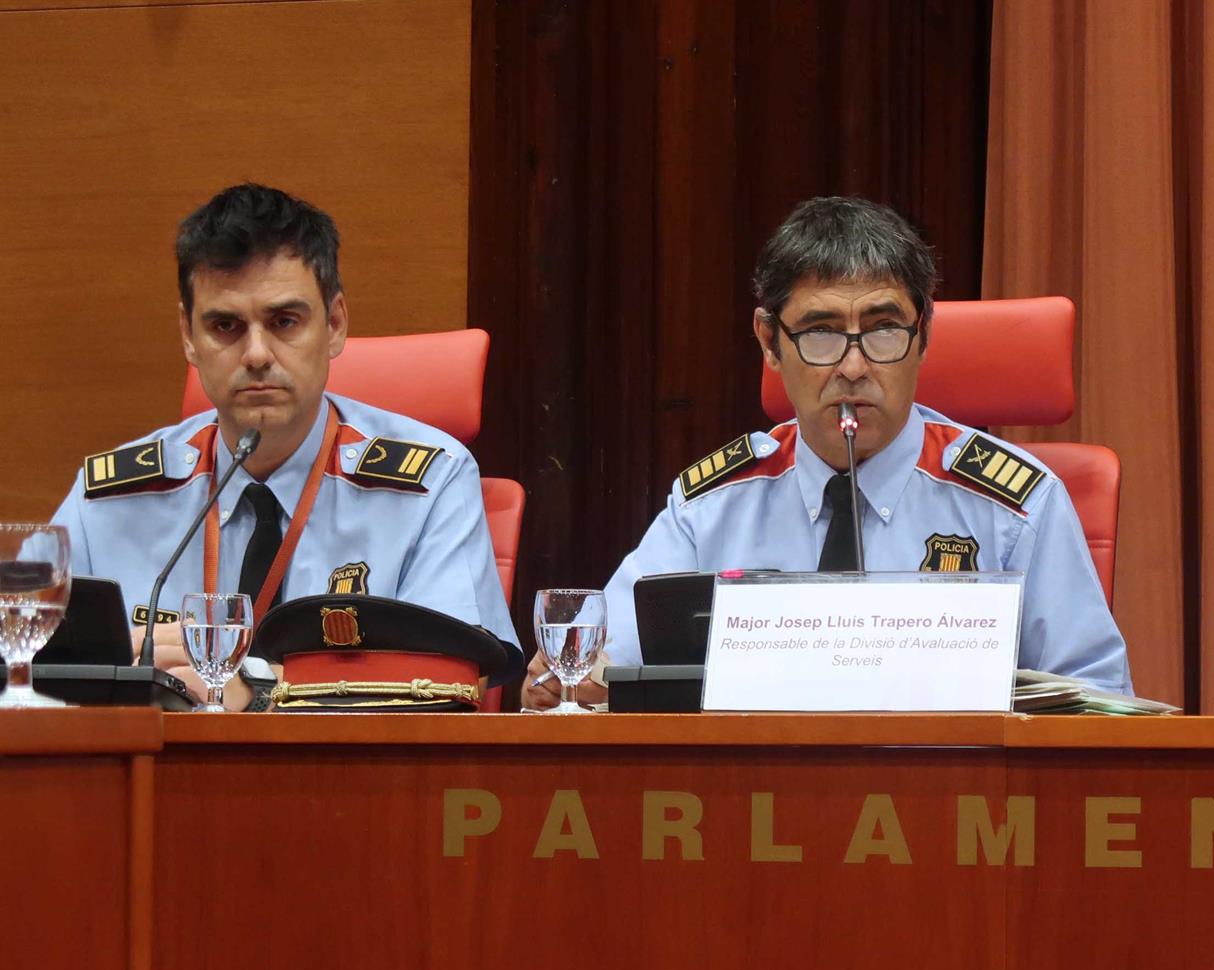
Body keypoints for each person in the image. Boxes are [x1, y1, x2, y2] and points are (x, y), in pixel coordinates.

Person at [522, 196, 1130, 706]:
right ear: (769, 340)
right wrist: (567, 681)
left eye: (884, 329)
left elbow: (1097, 704)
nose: (854, 367)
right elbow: (600, 669)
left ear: (924, 335)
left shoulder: (1015, 508)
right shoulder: (711, 507)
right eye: (820, 333)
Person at [50, 183, 517, 708]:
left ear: (334, 324)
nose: (256, 354)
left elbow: (454, 679)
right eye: (225, 325)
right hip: (150, 758)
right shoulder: (107, 499)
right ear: (188, 336)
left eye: (284, 322)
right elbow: (17, 654)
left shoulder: (430, 482)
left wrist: (259, 688)